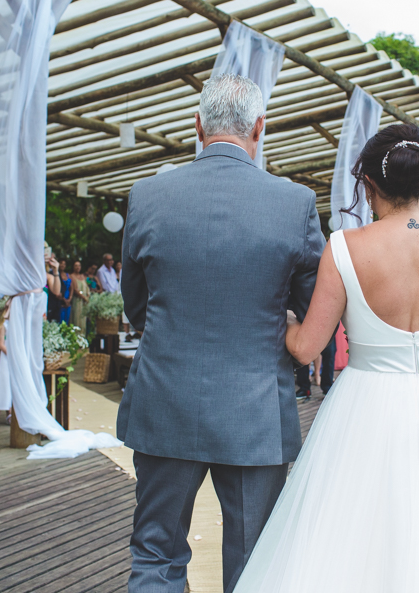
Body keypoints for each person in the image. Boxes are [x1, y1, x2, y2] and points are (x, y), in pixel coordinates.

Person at [235, 123, 419, 592]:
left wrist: (283, 316)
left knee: (353, 538)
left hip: (367, 405)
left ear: (369, 185)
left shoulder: (344, 248)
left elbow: (305, 348)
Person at [117, 74, 325, 593]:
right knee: (254, 561)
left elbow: (135, 306)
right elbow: (313, 307)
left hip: (165, 401)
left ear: (198, 126)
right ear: (259, 128)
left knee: (156, 554)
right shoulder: (294, 202)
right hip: (255, 414)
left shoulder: (147, 195)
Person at [69, 261, 90, 330]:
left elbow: (87, 288)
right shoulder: (71, 276)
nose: (78, 267)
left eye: (79, 265)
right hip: (77, 300)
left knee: (83, 319)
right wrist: (83, 297)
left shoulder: (83, 276)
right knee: (77, 318)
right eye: (76, 265)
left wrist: (87, 296)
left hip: (84, 302)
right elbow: (75, 289)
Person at [59, 259, 72, 324]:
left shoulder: (68, 275)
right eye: (61, 263)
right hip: (60, 299)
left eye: (64, 264)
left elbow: (71, 288)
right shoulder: (57, 275)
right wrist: (64, 300)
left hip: (68, 298)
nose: (62, 265)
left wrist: (69, 299)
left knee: (67, 320)